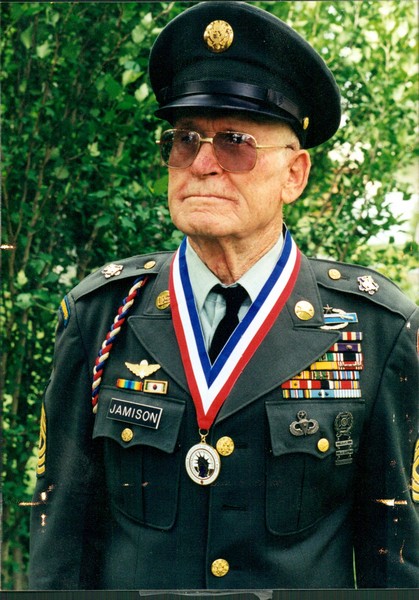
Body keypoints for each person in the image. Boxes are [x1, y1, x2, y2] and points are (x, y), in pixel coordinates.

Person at [29, 1, 418, 590]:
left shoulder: (375, 330)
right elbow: (59, 547)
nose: (203, 163)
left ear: (294, 175)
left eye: (235, 142)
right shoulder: (101, 316)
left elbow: (401, 565)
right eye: (185, 140)